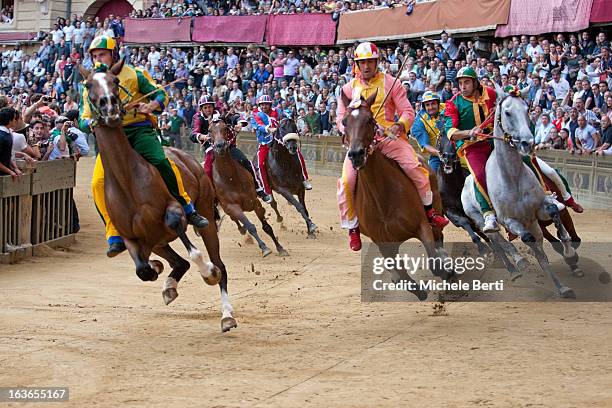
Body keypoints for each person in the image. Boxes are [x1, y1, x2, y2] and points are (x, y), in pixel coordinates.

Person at [79, 35, 209, 257]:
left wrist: (153, 104)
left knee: (160, 160)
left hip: (139, 130)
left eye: (102, 54)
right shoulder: (90, 83)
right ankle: (113, 232)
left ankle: (187, 206)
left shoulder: (134, 74)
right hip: (113, 140)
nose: (98, 59)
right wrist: (89, 122)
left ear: (113, 55)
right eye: (94, 56)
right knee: (97, 182)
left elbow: (161, 93)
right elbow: (84, 117)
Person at [337, 42, 448, 252]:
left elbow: (407, 111)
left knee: (416, 168)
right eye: (363, 62)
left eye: (371, 61)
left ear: (377, 62)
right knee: (346, 182)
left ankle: (429, 212)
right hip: (361, 141)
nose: (367, 66)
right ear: (357, 65)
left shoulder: (391, 83)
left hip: (389, 138)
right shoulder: (348, 89)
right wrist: (349, 133)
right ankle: (352, 226)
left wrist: (400, 124)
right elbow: (341, 117)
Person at [191, 94, 271, 202]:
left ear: (213, 106)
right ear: (201, 109)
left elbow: (235, 116)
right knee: (208, 170)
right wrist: (202, 136)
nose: (208, 109)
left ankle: (259, 189)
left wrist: (238, 123)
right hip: (211, 147)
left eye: (210, 106)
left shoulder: (221, 113)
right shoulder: (198, 117)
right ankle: (211, 195)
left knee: (246, 162)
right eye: (205, 107)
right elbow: (193, 133)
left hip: (227, 145)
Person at [251, 94, 311, 203]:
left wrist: (289, 115)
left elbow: (286, 115)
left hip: (280, 140)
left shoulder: (276, 111)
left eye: (267, 104)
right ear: (260, 105)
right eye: (263, 105)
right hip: (265, 143)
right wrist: (269, 129)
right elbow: (259, 126)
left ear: (270, 105)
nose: (265, 106)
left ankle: (304, 179)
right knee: (259, 164)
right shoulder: (256, 114)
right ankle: (267, 190)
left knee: (297, 152)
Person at [411, 91, 450, 172]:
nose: (431, 107)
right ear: (424, 107)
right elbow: (425, 145)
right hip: (437, 154)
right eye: (427, 105)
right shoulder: (419, 122)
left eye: (433, 103)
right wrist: (439, 154)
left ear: (439, 104)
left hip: (456, 149)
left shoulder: (448, 108)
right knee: (432, 176)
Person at [0, 107, 22, 179]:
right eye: (15, 119)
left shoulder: (8, 133)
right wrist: (10, 171)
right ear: (10, 121)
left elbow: (9, 154)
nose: (17, 121)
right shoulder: (2, 136)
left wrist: (15, 168)